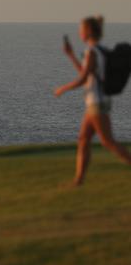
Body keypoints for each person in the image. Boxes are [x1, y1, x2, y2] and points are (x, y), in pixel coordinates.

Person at [54, 16, 131, 186]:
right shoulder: (97, 50)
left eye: (81, 29)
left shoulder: (92, 52)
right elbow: (86, 73)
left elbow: (82, 79)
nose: (79, 32)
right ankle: (78, 181)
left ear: (87, 31)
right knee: (83, 140)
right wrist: (71, 54)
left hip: (97, 103)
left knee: (108, 142)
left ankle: (78, 180)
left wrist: (62, 89)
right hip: (95, 103)